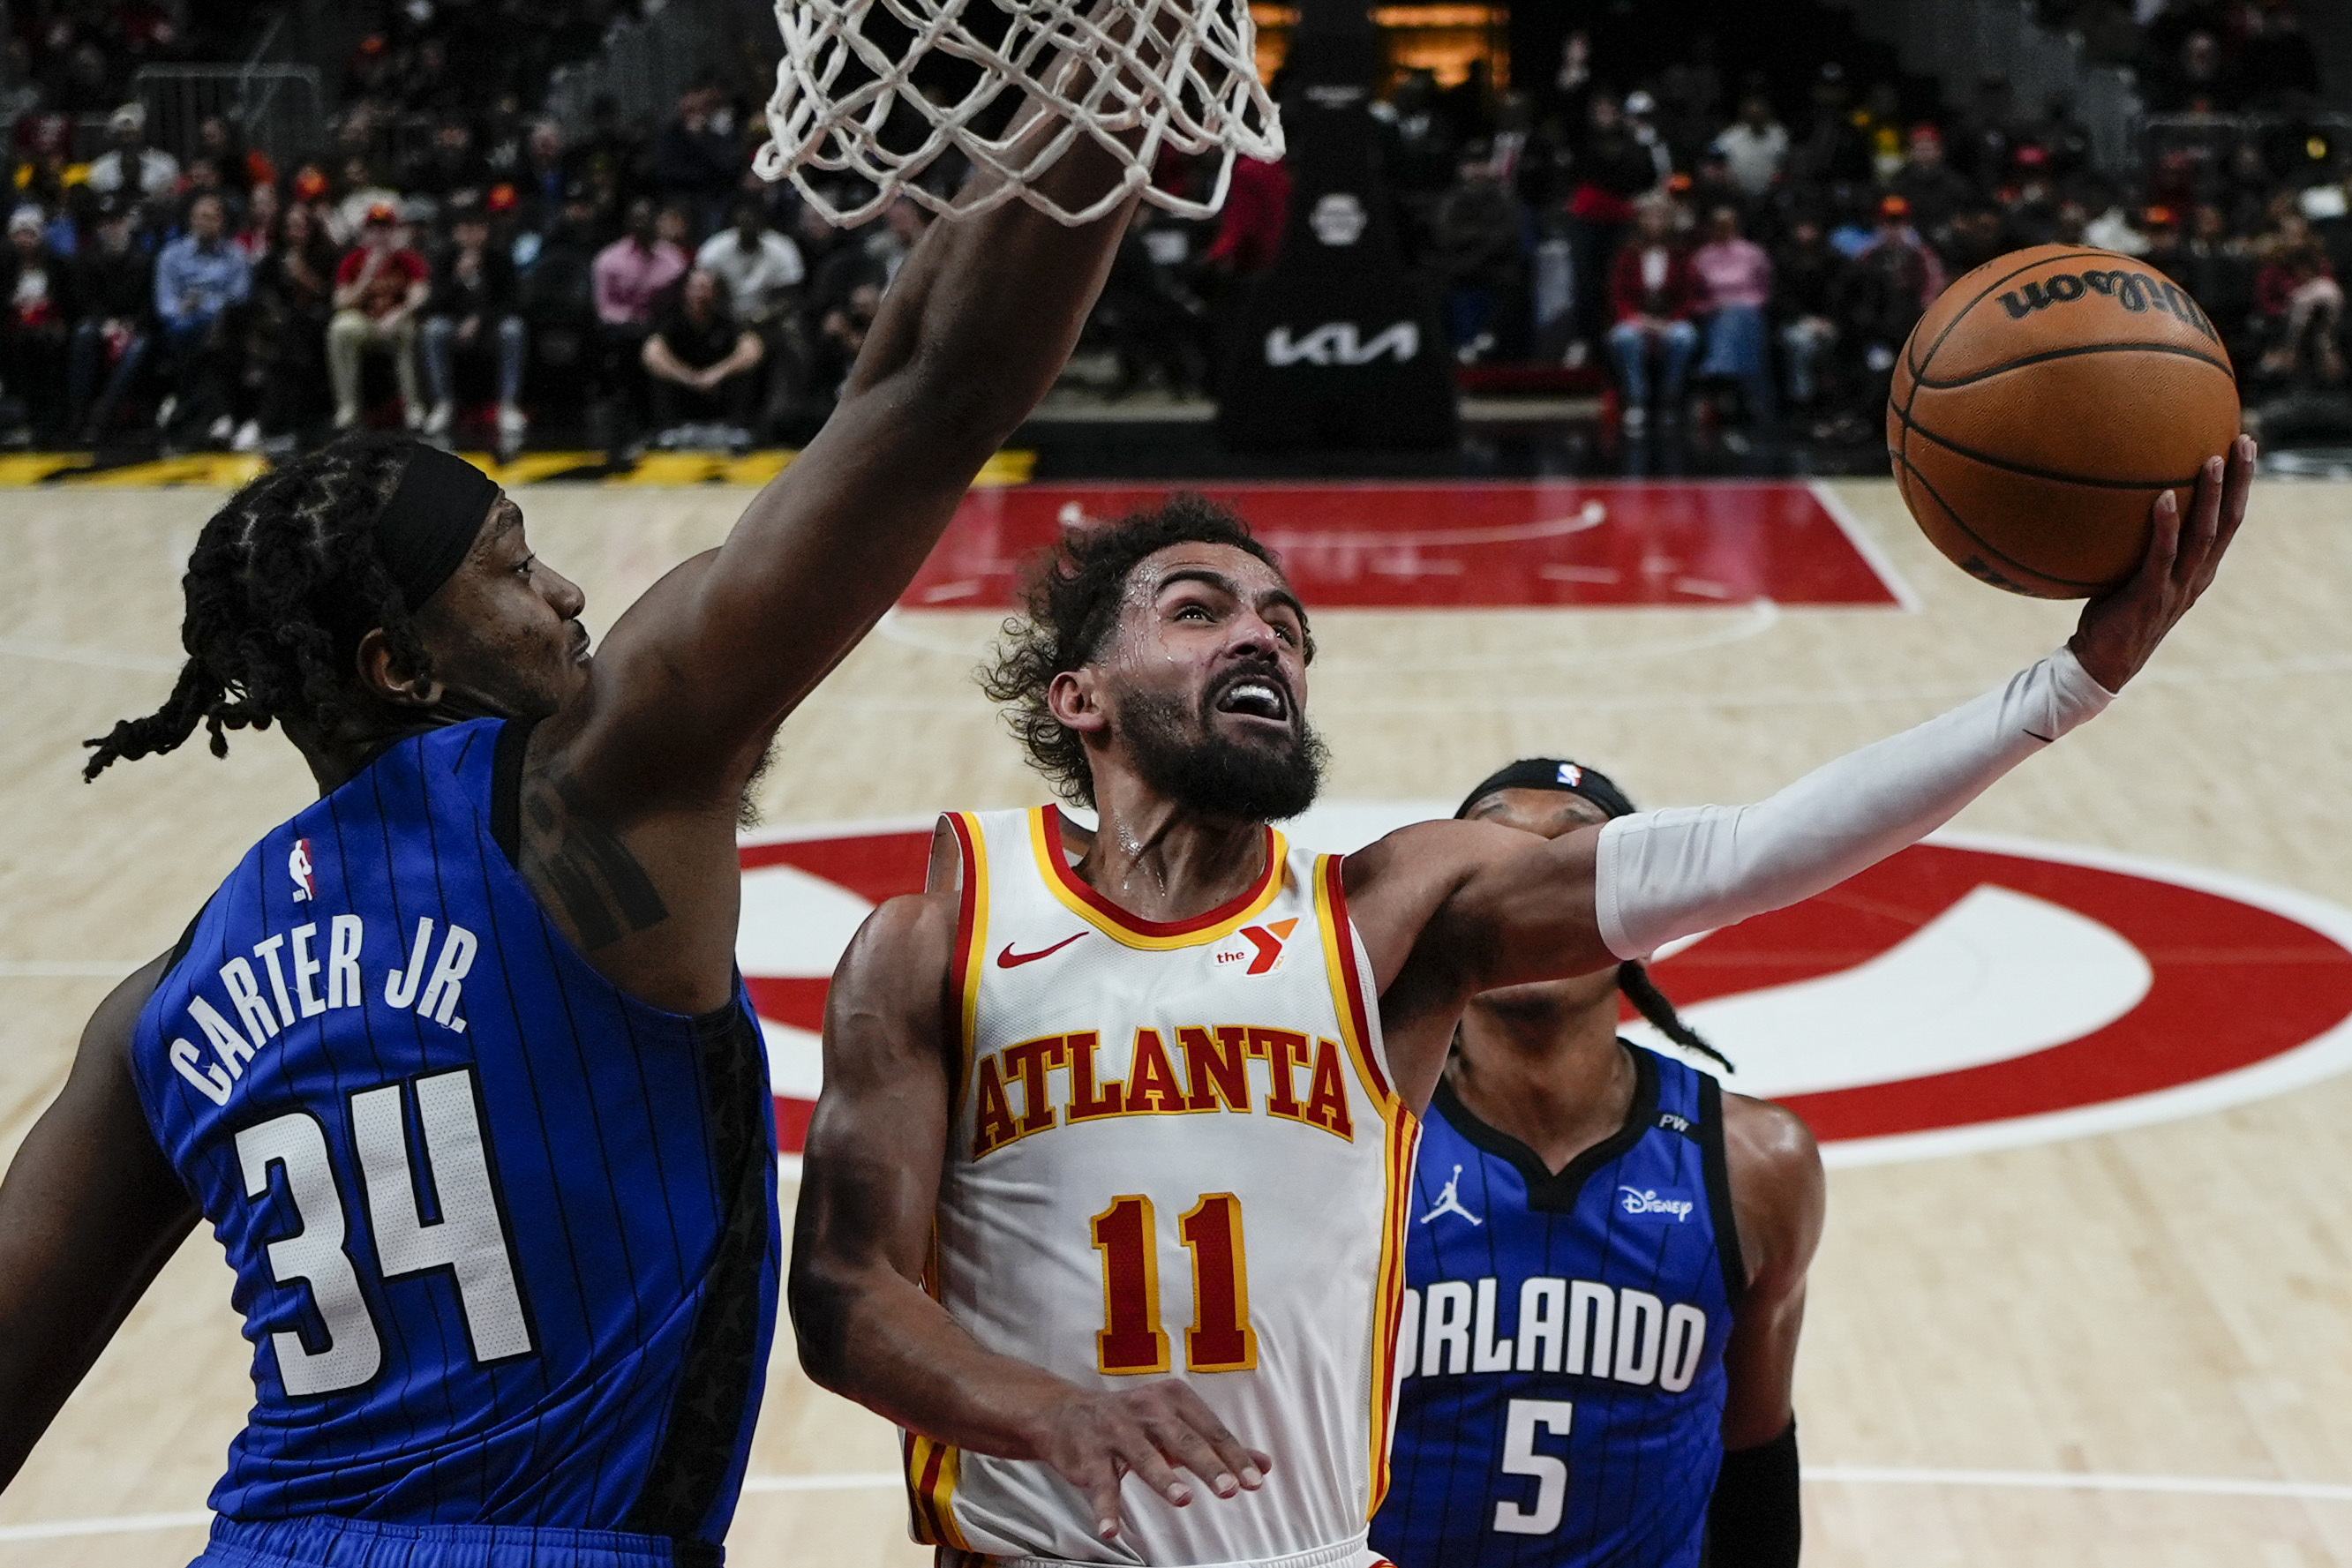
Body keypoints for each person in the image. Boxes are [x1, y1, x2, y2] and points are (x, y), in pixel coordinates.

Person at [0, 96, 1153, 1568]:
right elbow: (930, 389)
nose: (563, 595)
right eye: (509, 568)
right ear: (403, 670)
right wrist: (1116, 86)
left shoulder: (159, 1005)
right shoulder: (588, 790)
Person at [794, 439, 2251, 1564]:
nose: (1266, 640)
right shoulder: (938, 938)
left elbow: (1748, 851)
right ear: (1081, 697)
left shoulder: (1385, 927)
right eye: (1200, 609)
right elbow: (846, 1300)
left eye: (1290, 627)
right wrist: (1037, 1406)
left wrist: (2064, 688)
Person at [1370, 760, 1822, 1568]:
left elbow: (1754, 1456)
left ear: (1639, 912)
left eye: (1570, 855)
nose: (1531, 878)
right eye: (1495, 850)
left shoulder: (1758, 1163)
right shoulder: (1358, 1139)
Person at [419, 198, 528, 444]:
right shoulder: (445, 259)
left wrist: (480, 320)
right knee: (432, 330)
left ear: (486, 231)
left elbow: (510, 302)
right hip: (453, 324)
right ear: (456, 233)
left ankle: (508, 405)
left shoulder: (499, 257)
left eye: (476, 229)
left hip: (490, 325)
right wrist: (459, 278)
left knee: (513, 330)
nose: (470, 236)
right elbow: (434, 303)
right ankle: (442, 404)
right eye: (464, 230)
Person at [153, 191, 252, 445]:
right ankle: (217, 416)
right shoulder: (171, 255)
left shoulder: (236, 255)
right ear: (191, 220)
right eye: (202, 217)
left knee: (220, 333)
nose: (207, 223)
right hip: (183, 327)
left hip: (224, 325)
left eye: (214, 217)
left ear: (223, 222)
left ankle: (185, 406)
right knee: (189, 334)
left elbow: (239, 297)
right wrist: (185, 308)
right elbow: (166, 305)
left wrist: (204, 305)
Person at [330, 201, 432, 430]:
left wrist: (399, 313)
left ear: (394, 232)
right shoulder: (353, 260)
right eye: (374, 229)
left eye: (385, 229)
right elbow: (340, 302)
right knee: (340, 328)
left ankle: (413, 407)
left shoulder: (408, 259)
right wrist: (367, 275)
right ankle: (348, 408)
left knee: (408, 330)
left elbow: (421, 294)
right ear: (366, 232)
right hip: (365, 322)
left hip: (396, 323)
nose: (380, 235)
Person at [1606, 198, 1702, 432]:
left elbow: (1688, 296)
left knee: (1684, 338)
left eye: (1661, 217)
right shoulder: (1628, 254)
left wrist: (1669, 321)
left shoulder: (1680, 254)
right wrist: (1637, 319)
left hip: (1670, 319)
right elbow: (1618, 295)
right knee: (1624, 338)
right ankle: (1637, 400)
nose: (1656, 222)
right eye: (1651, 217)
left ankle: (1669, 399)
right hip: (1637, 318)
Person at [642, 265, 764, 446]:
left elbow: (752, 350)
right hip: (682, 396)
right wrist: (688, 377)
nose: (700, 294)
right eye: (695, 288)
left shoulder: (727, 320)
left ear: (717, 292)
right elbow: (652, 353)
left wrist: (717, 373)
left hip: (719, 395)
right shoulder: (673, 320)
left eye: (705, 288)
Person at [66, 191, 154, 442]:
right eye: (106, 223)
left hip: (135, 325)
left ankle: (102, 414)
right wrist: (106, 322)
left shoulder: (144, 260)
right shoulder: (85, 260)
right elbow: (83, 301)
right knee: (85, 333)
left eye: (117, 221)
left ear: (127, 223)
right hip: (100, 322)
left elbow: (149, 303)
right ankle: (78, 413)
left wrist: (131, 324)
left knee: (137, 346)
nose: (112, 228)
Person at [1689, 204, 1776, 431]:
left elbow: (1764, 292)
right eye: (1719, 225)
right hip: (1713, 314)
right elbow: (1694, 295)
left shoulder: (1753, 254)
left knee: (1739, 316)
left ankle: (1720, 372)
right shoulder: (1702, 257)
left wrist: (1739, 305)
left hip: (1749, 312)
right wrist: (1713, 306)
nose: (1723, 229)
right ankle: (1736, 388)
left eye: (1728, 224)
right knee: (1728, 319)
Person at [1, 206, 75, 442]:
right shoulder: (4, 266)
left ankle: (51, 418)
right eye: (19, 234)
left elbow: (71, 302)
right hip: (13, 329)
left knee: (47, 343)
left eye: (30, 233)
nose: (25, 240)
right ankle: (24, 416)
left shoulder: (58, 265)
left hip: (50, 328)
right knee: (21, 343)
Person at [85, 101, 180, 204]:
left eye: (133, 134)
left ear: (143, 133)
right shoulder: (100, 168)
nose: (128, 140)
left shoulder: (165, 164)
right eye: (123, 135)